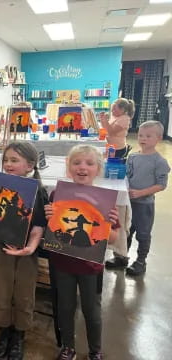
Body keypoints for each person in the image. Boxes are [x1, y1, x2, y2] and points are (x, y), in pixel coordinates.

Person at [45, 145, 119, 360]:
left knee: (92, 310)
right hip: (63, 263)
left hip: (91, 266)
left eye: (89, 163)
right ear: (68, 168)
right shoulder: (56, 195)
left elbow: (113, 240)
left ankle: (95, 350)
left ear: (98, 169)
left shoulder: (106, 203)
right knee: (65, 307)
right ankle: (68, 347)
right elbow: (53, 231)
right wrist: (50, 217)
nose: (82, 167)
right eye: (76, 163)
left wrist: (108, 224)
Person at [0, 142, 48, 360]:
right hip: (0, 247)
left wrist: (30, 247)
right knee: (2, 291)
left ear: (30, 165)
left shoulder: (38, 191)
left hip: (26, 251)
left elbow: (39, 225)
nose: (8, 164)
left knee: (24, 293)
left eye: (14, 160)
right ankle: (4, 330)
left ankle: (19, 334)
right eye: (6, 160)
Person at [105, 120, 170, 276]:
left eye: (148, 136)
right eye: (141, 135)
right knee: (126, 231)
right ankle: (121, 257)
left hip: (144, 205)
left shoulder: (159, 162)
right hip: (128, 203)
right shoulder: (133, 156)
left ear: (158, 138)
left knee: (143, 234)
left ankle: (141, 261)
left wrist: (142, 192)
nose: (143, 139)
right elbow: (127, 175)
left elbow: (162, 184)